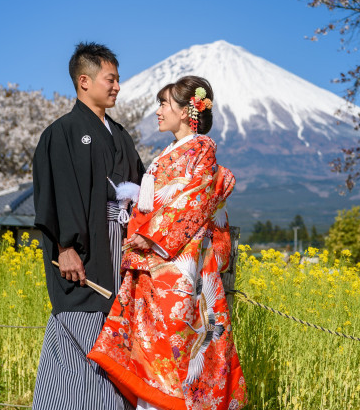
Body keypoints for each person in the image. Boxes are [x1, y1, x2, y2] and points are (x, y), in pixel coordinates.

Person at [88, 76, 247, 410]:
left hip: (176, 269)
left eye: (164, 104)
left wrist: (147, 237)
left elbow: (191, 203)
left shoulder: (201, 149)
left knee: (175, 356)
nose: (158, 111)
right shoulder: (174, 151)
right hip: (158, 267)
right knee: (153, 353)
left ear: (188, 111)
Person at [32, 42, 145, 410]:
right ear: (84, 81)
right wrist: (65, 248)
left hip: (120, 245)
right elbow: (57, 193)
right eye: (110, 79)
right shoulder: (62, 133)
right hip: (83, 252)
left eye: (117, 80)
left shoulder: (121, 135)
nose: (116, 87)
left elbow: (143, 188)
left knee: (116, 337)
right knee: (78, 334)